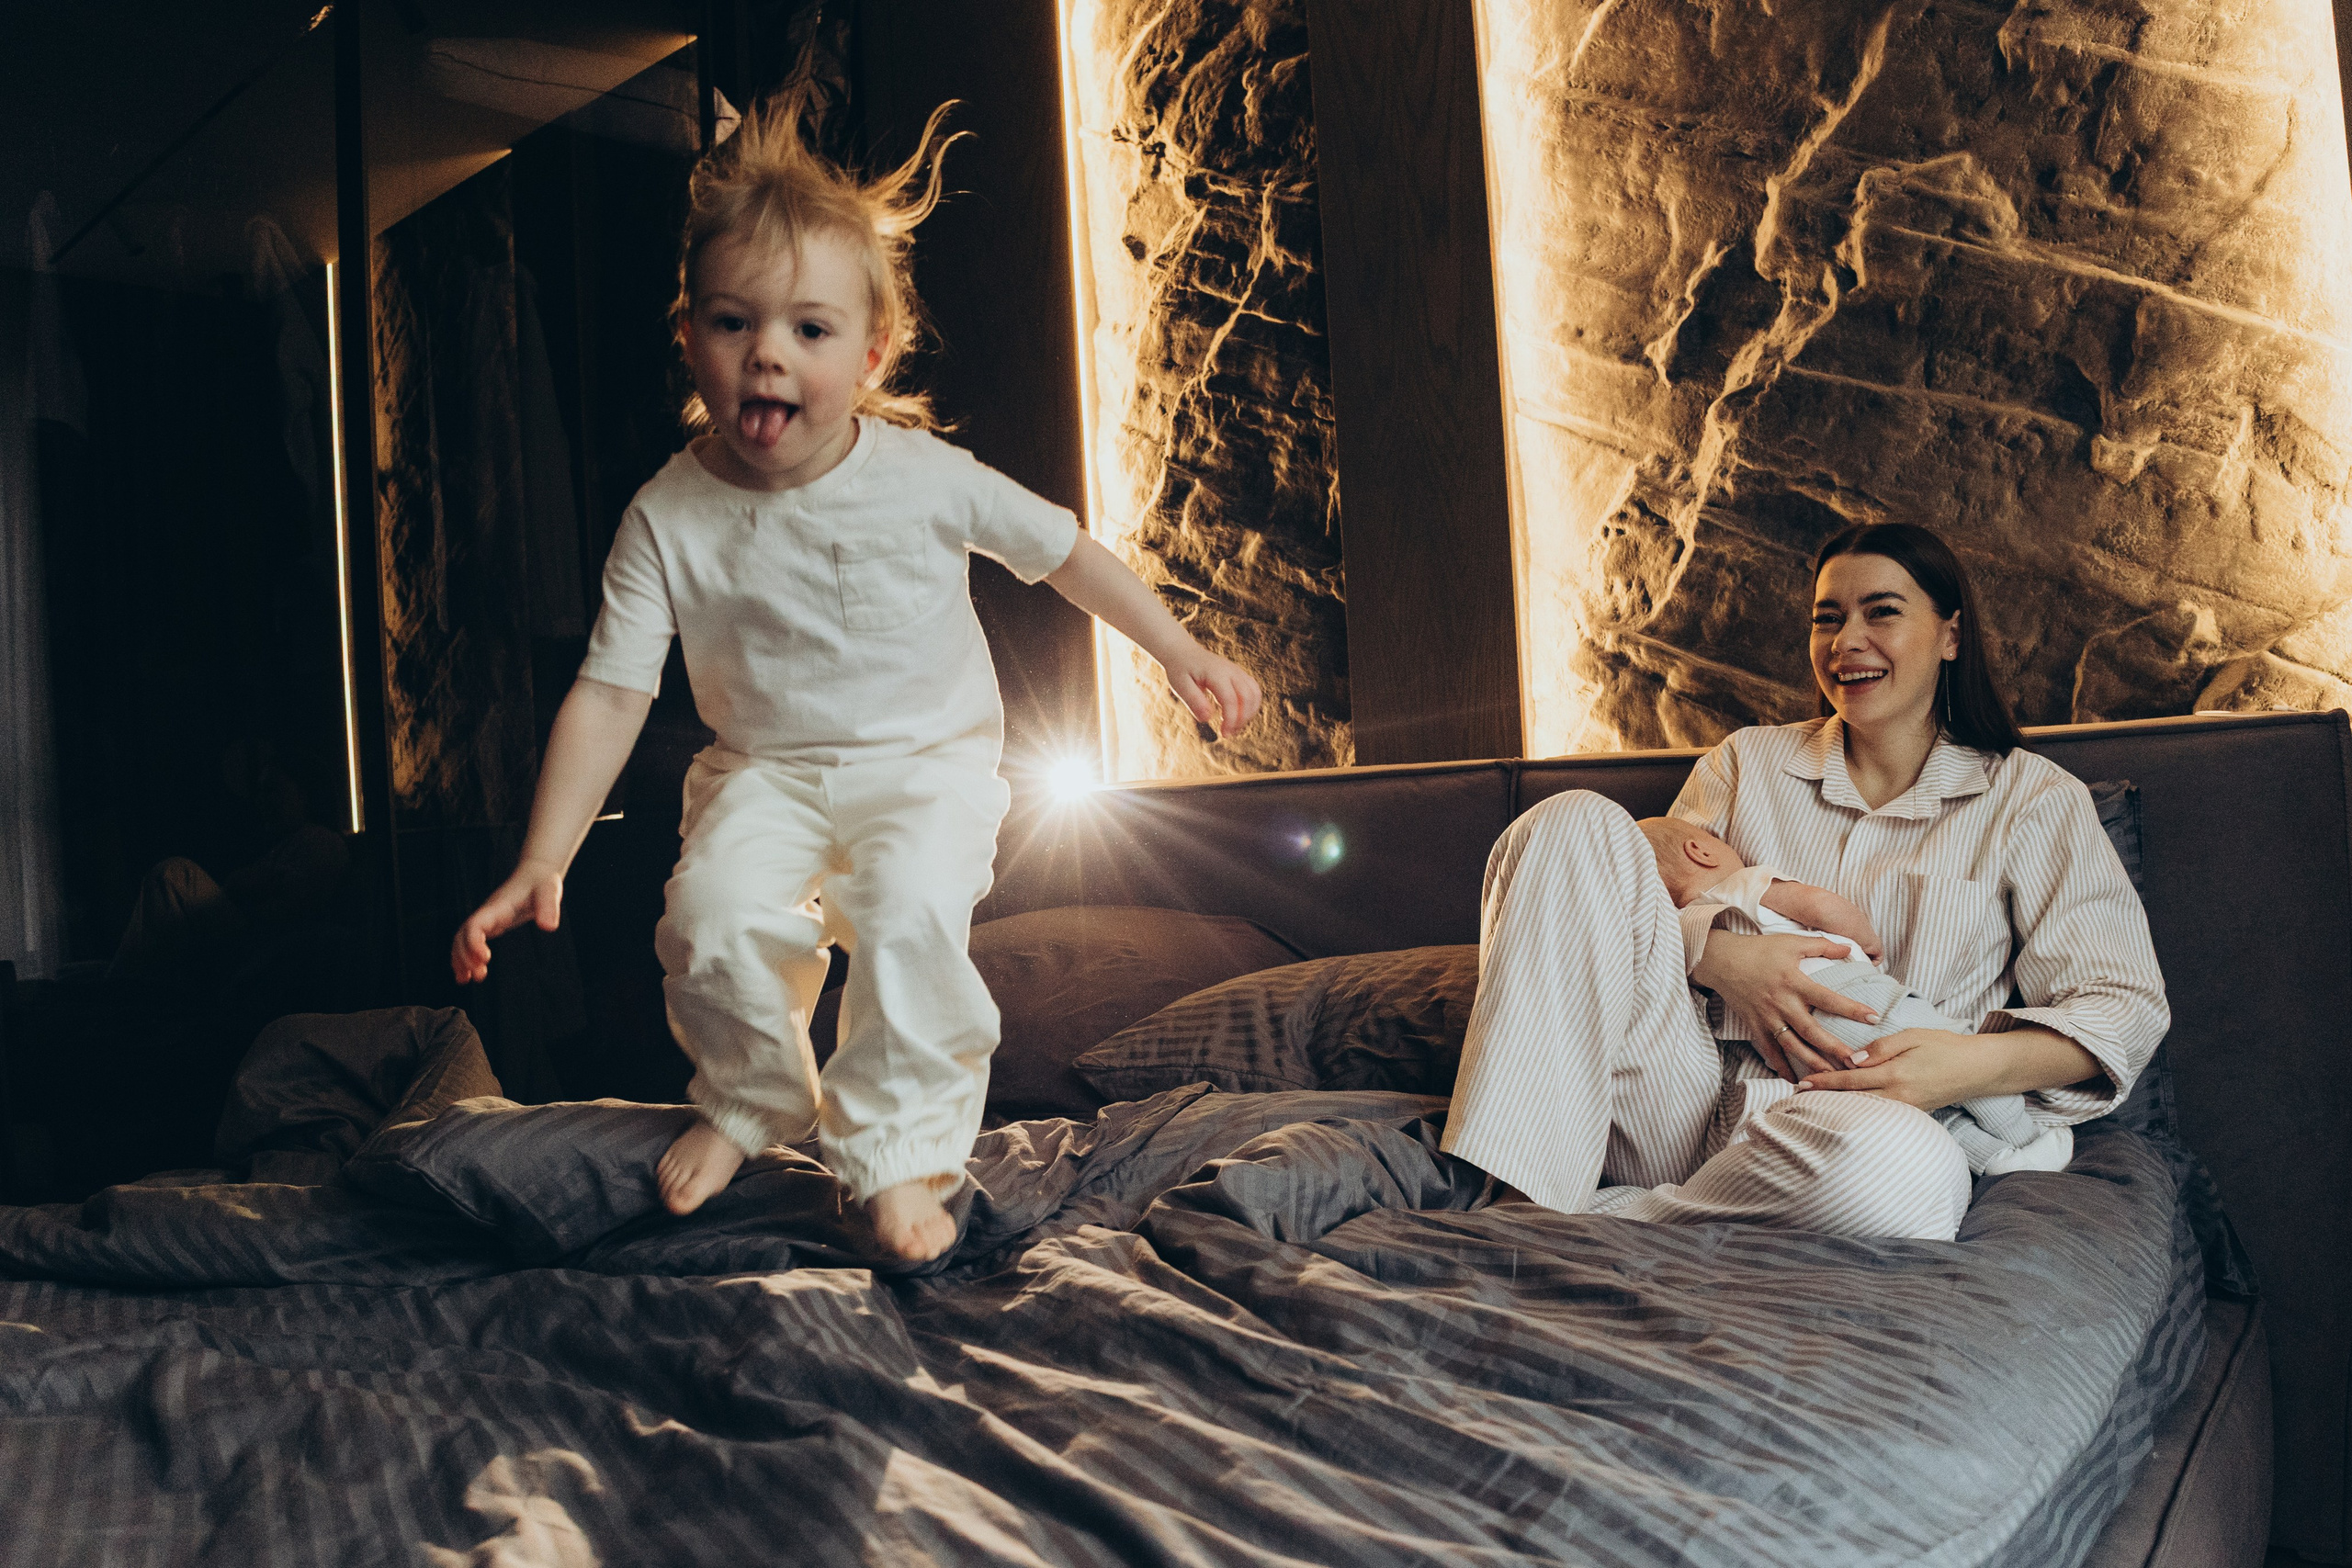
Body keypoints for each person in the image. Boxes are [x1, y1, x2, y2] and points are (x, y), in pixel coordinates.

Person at [450, 98, 1261, 1262]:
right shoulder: (667, 515)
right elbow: (612, 690)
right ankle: (749, 1096)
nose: (767, 351)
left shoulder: (928, 479)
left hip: (923, 769)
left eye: (809, 330)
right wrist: (544, 858)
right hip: (764, 773)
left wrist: (1179, 649)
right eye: (734, 323)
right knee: (711, 920)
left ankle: (895, 1159)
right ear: (689, 339)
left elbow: (1066, 554)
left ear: (870, 353)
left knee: (905, 921)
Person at [1442, 523, 2166, 1240]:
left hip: (1857, 1126)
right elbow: (1628, 896)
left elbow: (2122, 1007)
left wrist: (1961, 1066)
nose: (1846, 641)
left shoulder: (2033, 800)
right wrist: (1723, 957)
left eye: (1880, 612)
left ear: (1951, 634)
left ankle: (1584, 1225)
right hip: (1679, 1097)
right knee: (1569, 821)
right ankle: (1522, 1200)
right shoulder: (1744, 763)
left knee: (1912, 1175)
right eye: (1828, 618)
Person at [1637, 815, 2071, 1177]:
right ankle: (2026, 1139)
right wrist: (1863, 940)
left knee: (1917, 1111)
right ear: (1701, 851)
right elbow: (1819, 905)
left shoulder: (1680, 922)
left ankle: (1995, 1160)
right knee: (1956, 1051)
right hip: (1851, 997)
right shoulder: (1744, 883)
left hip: (1795, 1047)